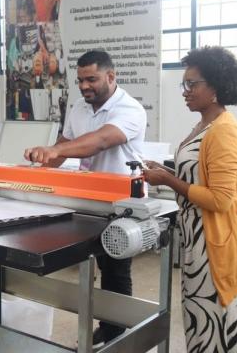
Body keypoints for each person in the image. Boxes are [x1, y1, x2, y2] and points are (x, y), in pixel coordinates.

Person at [24, 50, 146, 348]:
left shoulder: (130, 109)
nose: (84, 86)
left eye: (91, 79)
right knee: (85, 261)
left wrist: (57, 152)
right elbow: (65, 143)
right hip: (85, 199)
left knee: (115, 268)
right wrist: (40, 164)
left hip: (121, 203)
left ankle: (116, 333)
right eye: (80, 80)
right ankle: (101, 323)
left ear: (111, 76)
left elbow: (101, 140)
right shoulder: (79, 106)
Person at [143, 46, 237, 352]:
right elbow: (197, 175)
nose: (185, 91)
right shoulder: (204, 124)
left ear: (214, 87)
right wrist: (166, 170)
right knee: (198, 322)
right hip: (196, 239)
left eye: (192, 84)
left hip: (215, 243)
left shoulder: (224, 131)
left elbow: (221, 199)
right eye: (184, 84)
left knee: (212, 324)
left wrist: (168, 180)